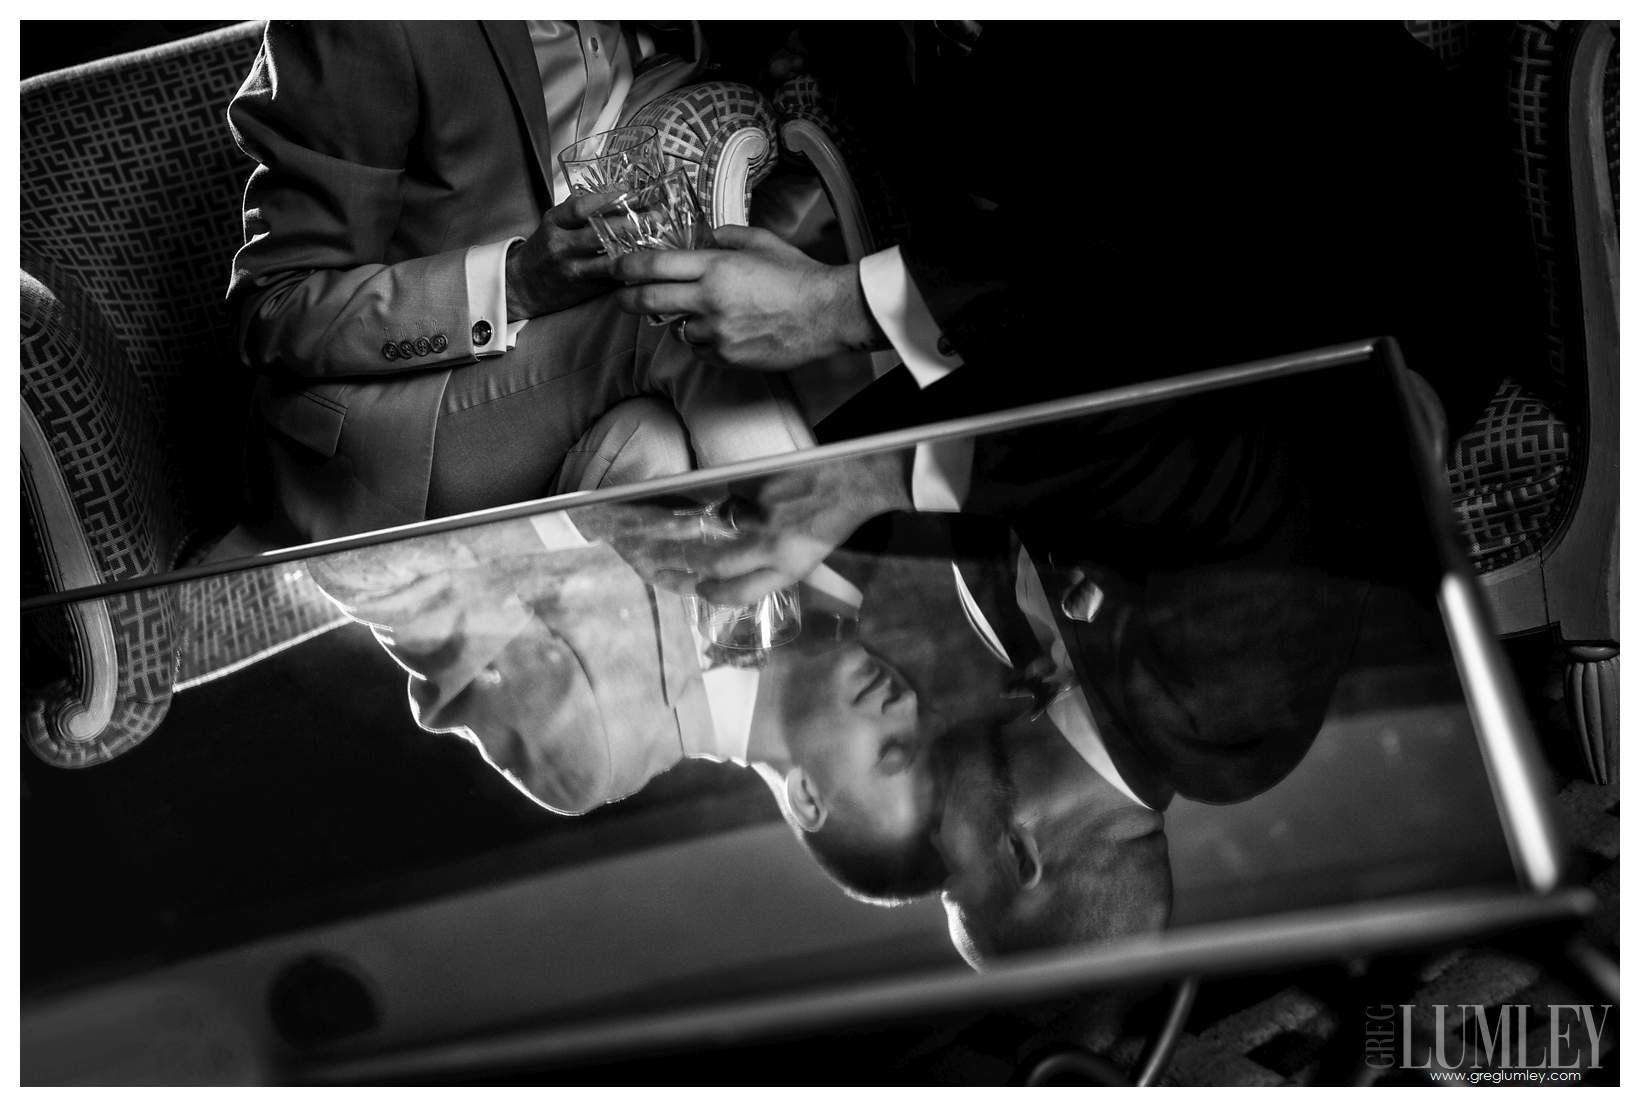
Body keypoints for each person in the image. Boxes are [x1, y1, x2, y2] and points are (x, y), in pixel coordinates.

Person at [610, 21, 1524, 443]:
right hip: (1093, 318)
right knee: (790, 499)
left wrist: (839, 305)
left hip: (1342, 304)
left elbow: (1151, 224)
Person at [226, 20, 813, 543]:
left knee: (647, 449)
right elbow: (277, 308)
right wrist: (513, 282)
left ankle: (625, 655)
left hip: (574, 383)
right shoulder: (369, 24)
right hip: (397, 423)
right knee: (676, 313)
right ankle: (844, 590)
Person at [304, 489, 953, 898]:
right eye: (930, 722)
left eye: (892, 750)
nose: (909, 704)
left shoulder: (590, 752)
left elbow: (366, 560)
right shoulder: (832, 569)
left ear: (807, 794)